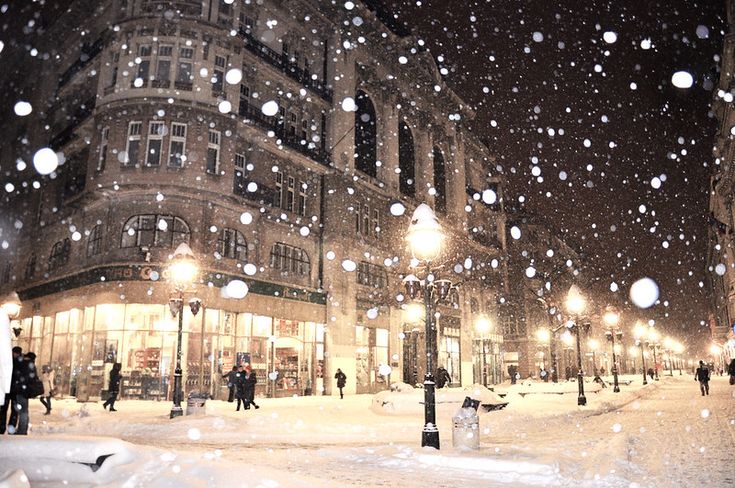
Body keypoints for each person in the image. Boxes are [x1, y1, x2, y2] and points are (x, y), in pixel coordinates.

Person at [0, 346, 23, 434]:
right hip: (14, 390)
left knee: (5, 409)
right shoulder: (20, 363)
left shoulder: (9, 362)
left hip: (10, 389)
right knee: (12, 410)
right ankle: (9, 428)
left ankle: (4, 427)